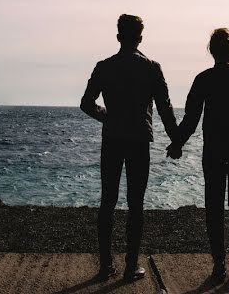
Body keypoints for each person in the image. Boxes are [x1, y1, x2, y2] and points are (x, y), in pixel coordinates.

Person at [80, 14, 178, 281]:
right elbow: (165, 108)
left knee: (107, 201)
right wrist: (176, 139)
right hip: (138, 139)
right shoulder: (152, 68)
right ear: (140, 38)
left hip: (112, 138)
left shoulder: (104, 66)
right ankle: (130, 265)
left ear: (118, 37)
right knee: (136, 204)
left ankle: (105, 266)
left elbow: (86, 103)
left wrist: (107, 116)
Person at [166, 28, 229, 285]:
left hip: (214, 152)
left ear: (211, 51)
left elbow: (191, 118)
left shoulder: (203, 79)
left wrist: (177, 143)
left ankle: (219, 264)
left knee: (214, 208)